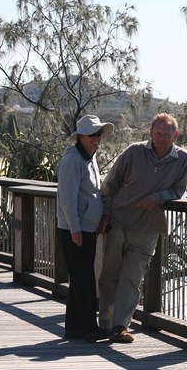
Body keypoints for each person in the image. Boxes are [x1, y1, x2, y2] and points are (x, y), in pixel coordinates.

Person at [97, 112, 187, 343]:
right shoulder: (133, 152)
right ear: (150, 133)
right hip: (118, 222)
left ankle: (120, 326)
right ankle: (105, 324)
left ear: (175, 135)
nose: (161, 138)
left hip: (148, 228)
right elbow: (110, 185)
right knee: (110, 275)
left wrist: (156, 198)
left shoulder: (182, 159)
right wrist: (106, 215)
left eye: (166, 135)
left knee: (132, 278)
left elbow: (179, 190)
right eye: (157, 134)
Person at [56, 114, 114, 341]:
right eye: (91, 135)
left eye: (98, 134)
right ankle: (89, 328)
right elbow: (67, 198)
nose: (96, 138)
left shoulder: (90, 157)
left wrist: (97, 219)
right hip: (76, 230)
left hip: (86, 228)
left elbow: (92, 193)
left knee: (81, 278)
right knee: (84, 280)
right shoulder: (72, 160)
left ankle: (73, 328)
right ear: (80, 137)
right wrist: (75, 229)